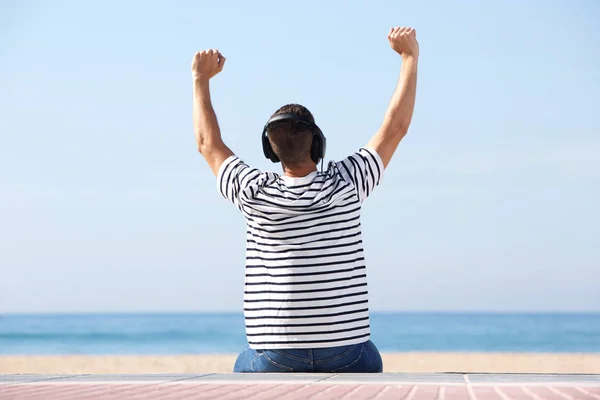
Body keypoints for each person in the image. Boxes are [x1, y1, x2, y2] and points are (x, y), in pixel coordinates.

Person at [191, 26, 419, 373]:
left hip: (275, 358)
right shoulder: (347, 182)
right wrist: (409, 57)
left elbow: (208, 143)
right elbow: (395, 128)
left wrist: (200, 79)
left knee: (243, 362)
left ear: (271, 150)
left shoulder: (253, 191)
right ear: (317, 145)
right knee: (371, 356)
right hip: (348, 356)